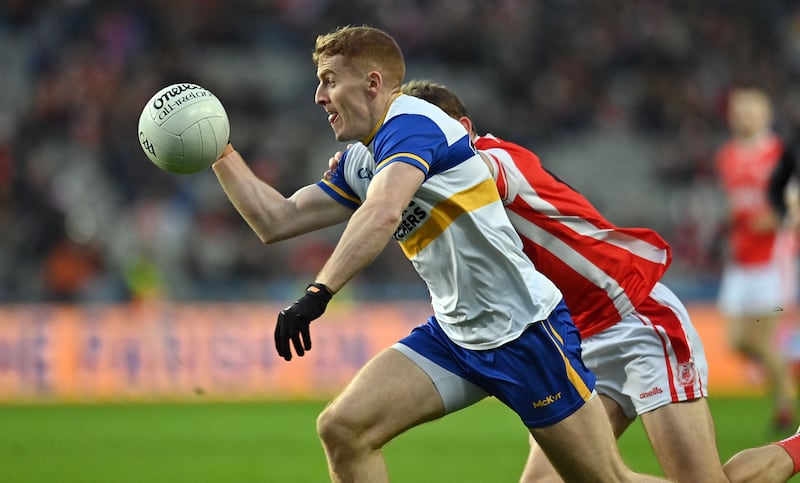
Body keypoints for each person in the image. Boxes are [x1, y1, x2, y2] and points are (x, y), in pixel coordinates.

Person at [212, 25, 668, 483]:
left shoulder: (413, 124)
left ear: (372, 83)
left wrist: (317, 292)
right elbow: (278, 219)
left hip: (526, 333)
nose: (319, 96)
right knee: (343, 428)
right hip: (455, 337)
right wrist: (219, 149)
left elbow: (384, 212)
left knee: (604, 481)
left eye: (330, 80)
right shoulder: (363, 157)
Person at [328, 79, 800, 482]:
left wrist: (379, 175)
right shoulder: (425, 185)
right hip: (572, 332)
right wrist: (363, 168)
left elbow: (411, 186)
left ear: (460, 131)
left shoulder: (490, 161)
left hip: (635, 317)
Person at [715, 84, 799, 433]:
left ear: (766, 115)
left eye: (751, 110)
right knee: (736, 340)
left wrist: (778, 217)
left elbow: (793, 208)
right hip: (740, 260)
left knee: (763, 339)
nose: (744, 116)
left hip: (772, 259)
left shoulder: (781, 154)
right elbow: (736, 203)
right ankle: (785, 373)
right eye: (739, 110)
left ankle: (783, 407)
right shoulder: (728, 156)